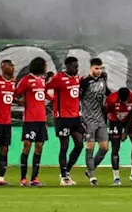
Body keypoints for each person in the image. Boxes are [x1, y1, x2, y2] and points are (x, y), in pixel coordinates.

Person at [47, 56, 85, 185]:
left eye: (77, 66)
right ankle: (64, 177)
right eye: (74, 66)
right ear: (67, 66)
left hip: (75, 117)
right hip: (62, 118)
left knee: (79, 144)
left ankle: (67, 171)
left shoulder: (77, 78)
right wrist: (53, 101)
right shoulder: (58, 78)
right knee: (64, 146)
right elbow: (45, 88)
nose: (76, 68)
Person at [15, 57, 50, 187]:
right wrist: (22, 103)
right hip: (30, 119)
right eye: (45, 65)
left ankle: (34, 178)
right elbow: (15, 94)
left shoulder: (42, 80)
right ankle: (23, 178)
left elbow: (44, 95)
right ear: (40, 66)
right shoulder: (26, 80)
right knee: (27, 146)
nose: (46, 67)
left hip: (41, 119)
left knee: (39, 147)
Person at [78, 57, 111, 185]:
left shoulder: (103, 78)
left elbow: (106, 92)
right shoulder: (85, 82)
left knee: (104, 147)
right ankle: (92, 176)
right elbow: (77, 98)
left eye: (100, 68)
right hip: (88, 119)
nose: (99, 71)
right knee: (90, 147)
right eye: (96, 68)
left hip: (100, 119)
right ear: (91, 68)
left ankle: (90, 169)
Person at [105, 86, 132, 185]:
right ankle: (116, 178)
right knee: (115, 148)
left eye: (126, 100)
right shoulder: (111, 99)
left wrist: (125, 132)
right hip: (115, 120)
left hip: (129, 120)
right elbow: (106, 112)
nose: (124, 103)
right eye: (122, 101)